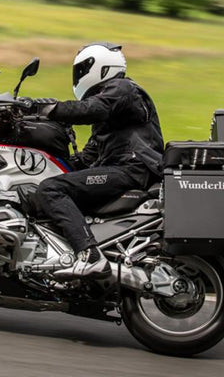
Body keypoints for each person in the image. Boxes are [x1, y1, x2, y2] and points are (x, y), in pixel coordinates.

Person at [32, 42, 164, 279]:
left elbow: (91, 109)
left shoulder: (123, 89)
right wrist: (47, 161)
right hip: (120, 168)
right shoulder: (111, 110)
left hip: (132, 169)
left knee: (51, 189)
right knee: (49, 184)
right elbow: (89, 157)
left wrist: (46, 108)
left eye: (82, 69)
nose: (78, 75)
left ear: (101, 67)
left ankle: (90, 256)